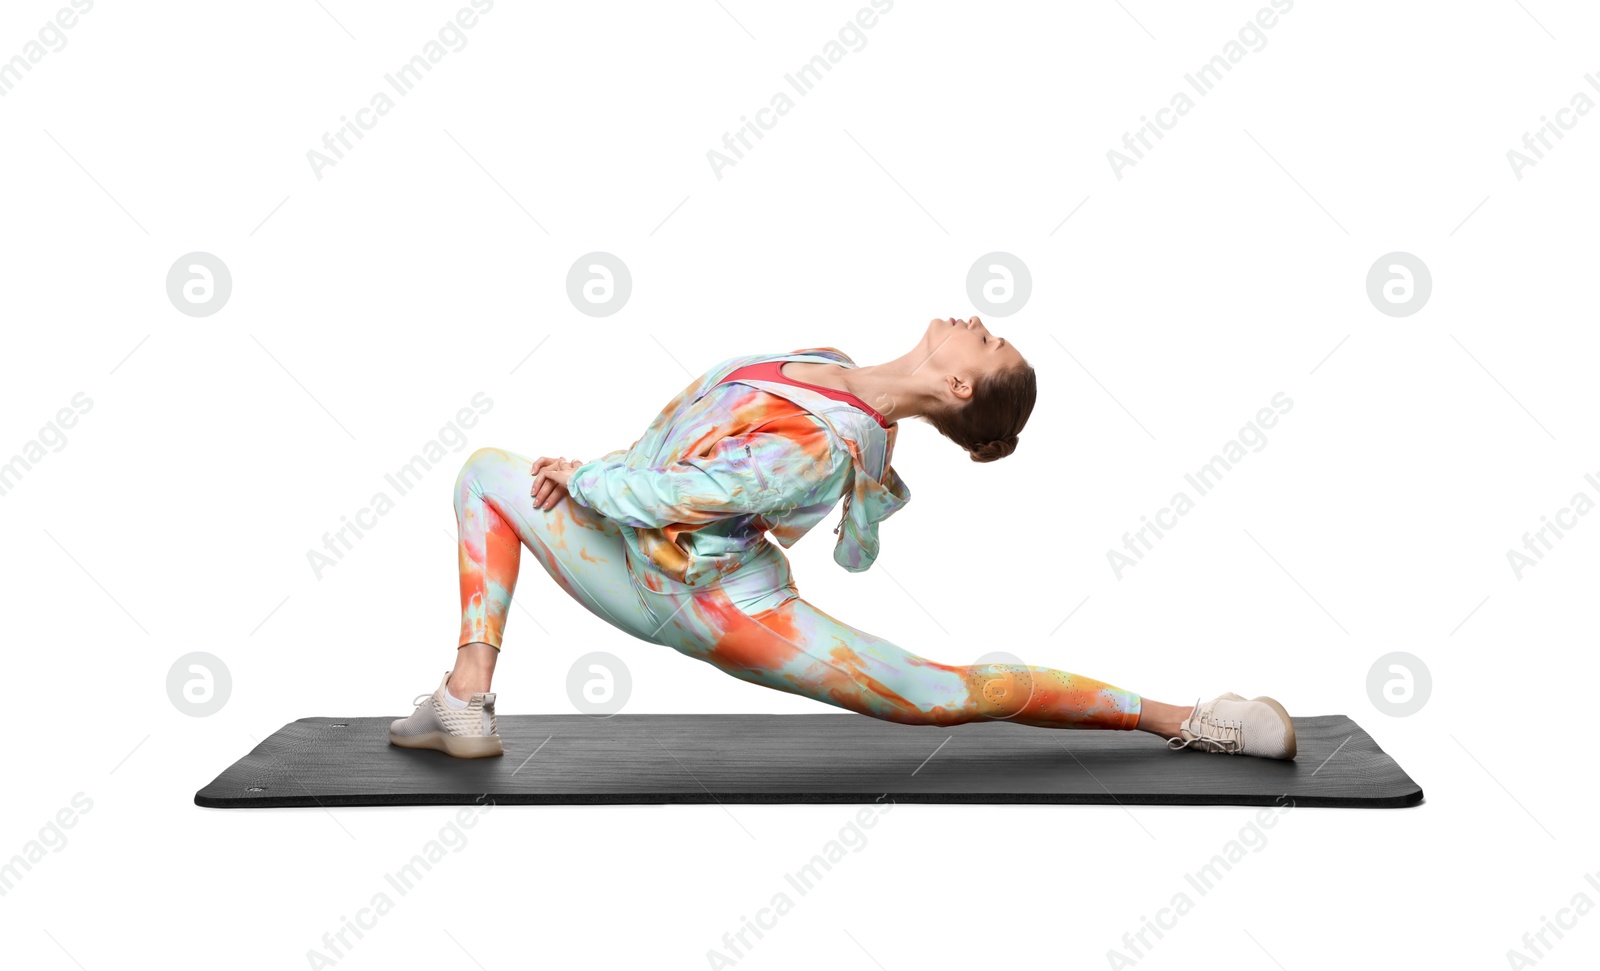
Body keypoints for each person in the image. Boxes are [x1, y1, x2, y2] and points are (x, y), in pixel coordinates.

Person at [388, 316, 1296, 761]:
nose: (978, 324)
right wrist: (589, 472)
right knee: (484, 475)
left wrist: (583, 478)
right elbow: (689, 436)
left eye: (991, 344)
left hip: (711, 604)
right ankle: (467, 695)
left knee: (943, 695)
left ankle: (1191, 719)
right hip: (631, 538)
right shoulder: (827, 367)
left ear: (963, 390)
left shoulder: (825, 446)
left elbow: (692, 494)